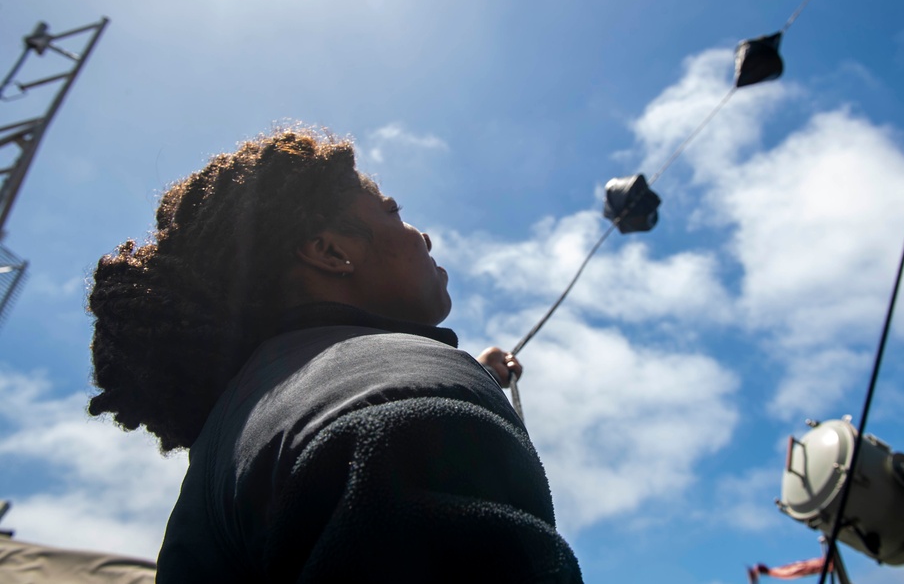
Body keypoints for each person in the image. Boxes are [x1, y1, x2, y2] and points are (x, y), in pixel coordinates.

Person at [87, 128, 583, 583]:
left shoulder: (228, 441)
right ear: (330, 252)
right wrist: (445, 382)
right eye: (393, 212)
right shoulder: (400, 390)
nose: (422, 235)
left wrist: (470, 378)